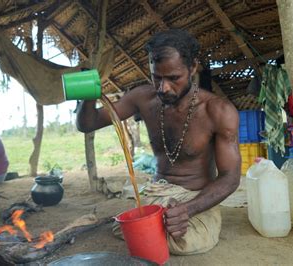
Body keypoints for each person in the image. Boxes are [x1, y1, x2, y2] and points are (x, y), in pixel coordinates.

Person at [76, 29, 241, 255]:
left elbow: (230, 178)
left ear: (192, 68)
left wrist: (187, 210)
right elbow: (88, 123)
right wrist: (86, 96)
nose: (163, 87)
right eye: (157, 77)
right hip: (156, 192)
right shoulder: (143, 98)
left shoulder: (218, 111)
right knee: (127, 229)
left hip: (195, 197)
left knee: (185, 242)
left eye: (173, 78)